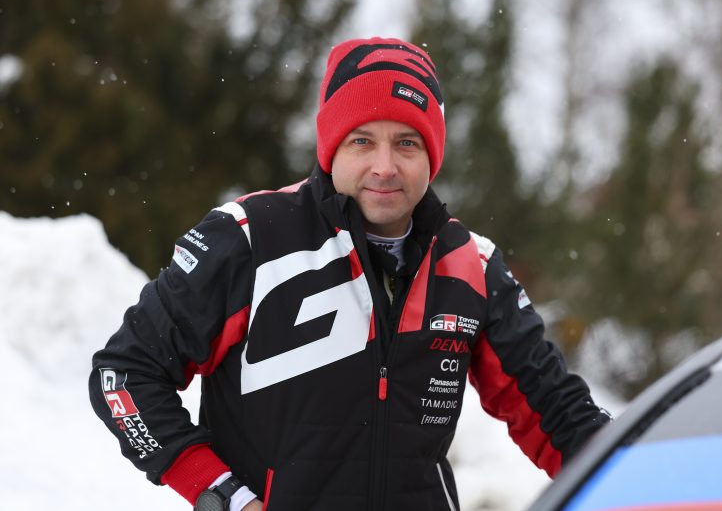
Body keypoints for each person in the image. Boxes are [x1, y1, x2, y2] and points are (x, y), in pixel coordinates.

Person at [89, 36, 611, 511]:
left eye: (406, 143)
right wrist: (222, 495)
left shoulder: (471, 264)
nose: (384, 166)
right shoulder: (250, 236)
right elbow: (125, 374)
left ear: (431, 156)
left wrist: (639, 477)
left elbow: (557, 413)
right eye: (362, 141)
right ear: (331, 147)